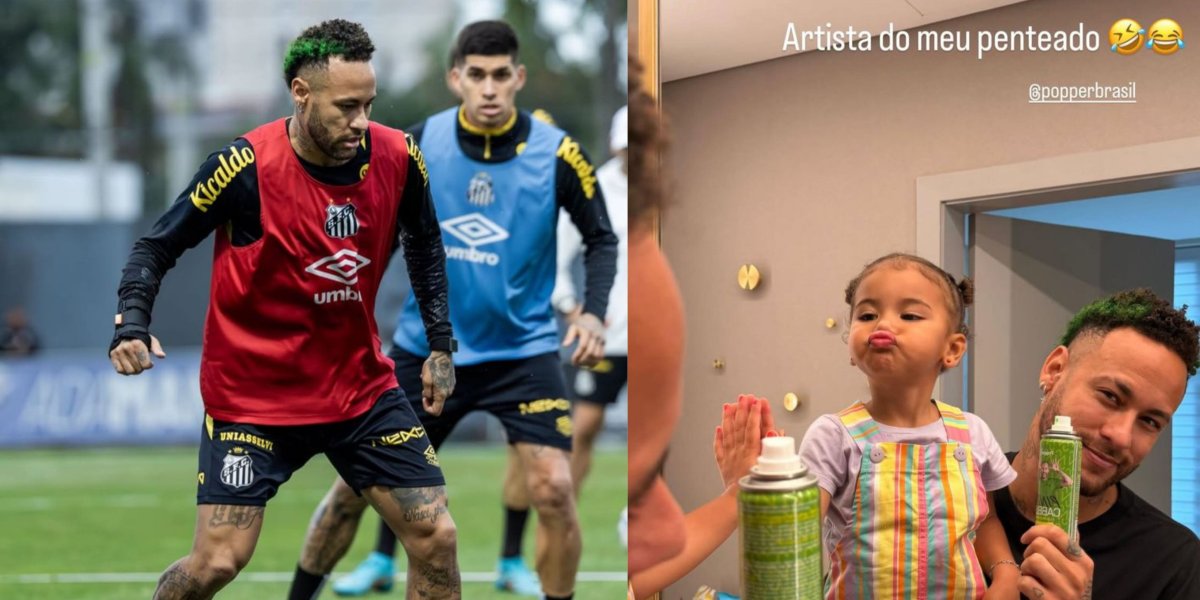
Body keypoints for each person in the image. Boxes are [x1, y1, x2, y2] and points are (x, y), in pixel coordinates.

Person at [107, 20, 461, 600]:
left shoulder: (399, 155)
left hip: (358, 392)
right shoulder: (242, 166)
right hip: (254, 399)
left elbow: (424, 242)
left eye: (369, 104)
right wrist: (133, 323)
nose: (361, 121)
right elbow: (156, 246)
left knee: (435, 536)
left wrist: (440, 344)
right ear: (302, 94)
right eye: (346, 107)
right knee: (218, 562)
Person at [293, 20, 618, 600]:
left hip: (525, 354)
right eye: (476, 75)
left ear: (518, 78)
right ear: (455, 79)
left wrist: (593, 312)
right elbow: (378, 239)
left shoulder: (560, 152)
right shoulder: (417, 144)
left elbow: (601, 238)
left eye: (500, 76)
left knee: (555, 490)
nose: (489, 88)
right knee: (352, 492)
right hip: (427, 353)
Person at [492, 104, 630, 592]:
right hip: (603, 338)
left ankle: (642, 515)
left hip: (654, 336)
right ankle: (556, 524)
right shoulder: (594, 186)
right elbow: (559, 256)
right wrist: (574, 309)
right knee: (582, 428)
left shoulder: (662, 191)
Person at [991, 288, 1200, 600]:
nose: (1121, 436)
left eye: (1150, 421)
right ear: (1055, 370)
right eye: (1110, 396)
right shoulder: (957, 498)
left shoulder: (1175, 563)